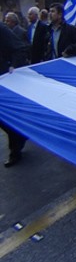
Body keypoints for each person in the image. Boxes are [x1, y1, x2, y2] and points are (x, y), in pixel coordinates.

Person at [1, 21, 31, 167]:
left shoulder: (2, 30)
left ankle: (15, 150)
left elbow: (20, 48)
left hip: (5, 80)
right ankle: (20, 135)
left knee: (6, 116)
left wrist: (13, 66)